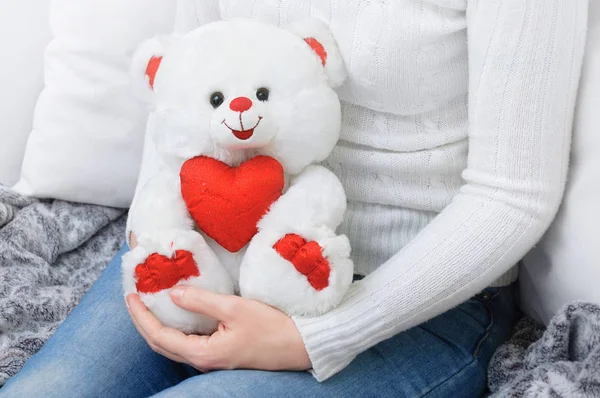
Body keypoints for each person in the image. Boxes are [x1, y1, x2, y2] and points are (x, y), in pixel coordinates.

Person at [1, 0, 588, 397]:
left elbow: (513, 193)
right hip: (211, 253)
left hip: (414, 302)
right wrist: (161, 233)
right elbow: (182, 89)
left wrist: (317, 337)